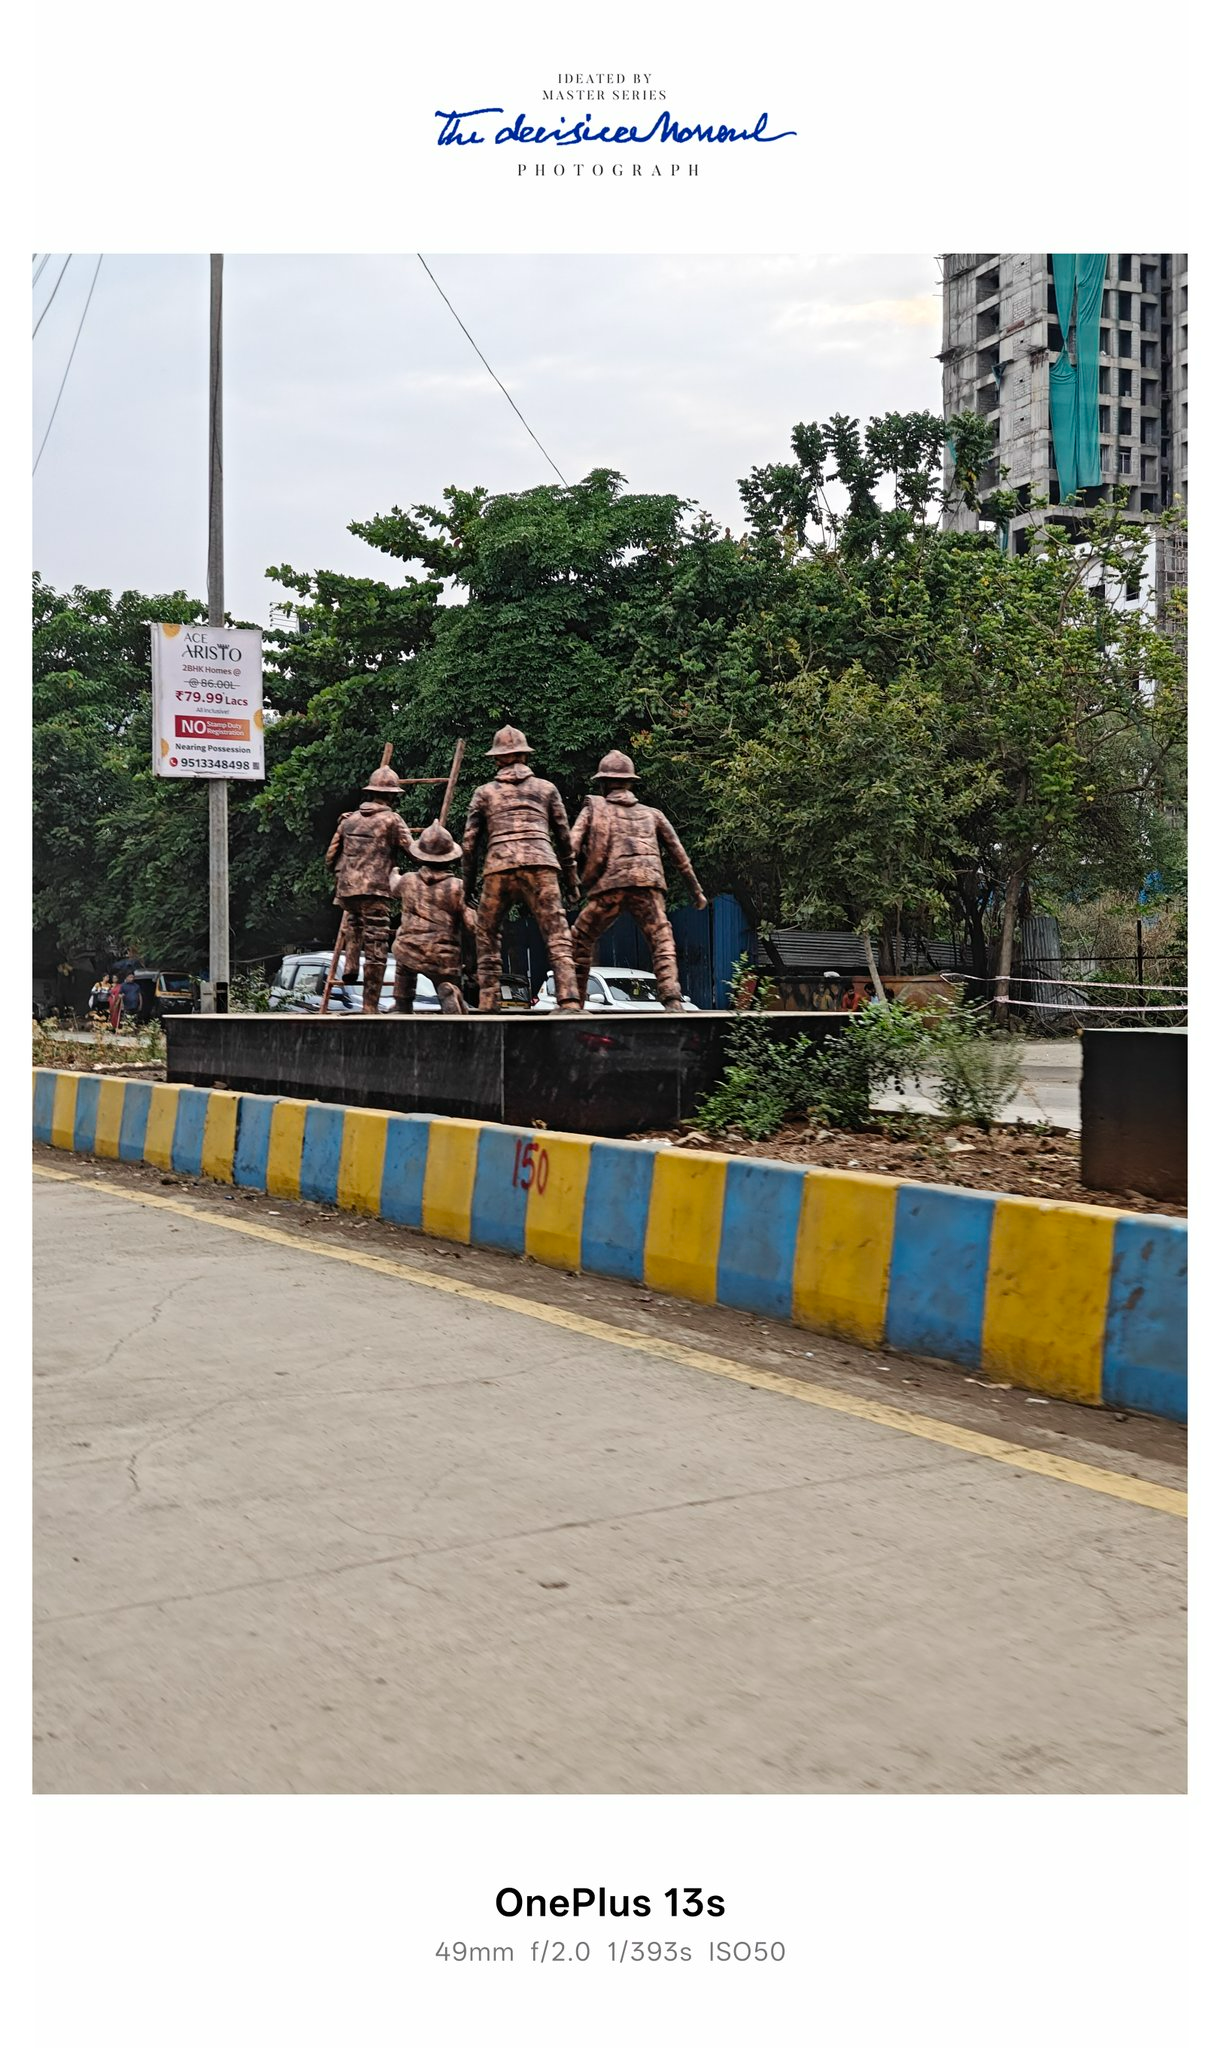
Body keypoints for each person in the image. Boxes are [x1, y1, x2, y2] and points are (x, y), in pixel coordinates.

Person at [569, 750, 707, 1012]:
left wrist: (571, 882)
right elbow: (679, 855)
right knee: (661, 940)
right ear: (630, 783)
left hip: (610, 886)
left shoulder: (592, 811)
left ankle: (574, 1001)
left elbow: (571, 847)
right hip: (648, 885)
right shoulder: (653, 815)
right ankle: (672, 1000)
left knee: (581, 938)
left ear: (603, 783)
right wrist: (696, 891)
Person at [461, 725, 581, 1012]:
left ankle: (489, 1000)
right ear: (525, 756)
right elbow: (564, 838)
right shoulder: (546, 789)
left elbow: (469, 844)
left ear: (497, 759)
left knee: (486, 933)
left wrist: (467, 887)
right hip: (541, 865)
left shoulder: (484, 793)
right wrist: (572, 881)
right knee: (557, 933)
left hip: (498, 867)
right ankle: (569, 999)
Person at [325, 762, 416, 1012]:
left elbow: (330, 856)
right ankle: (369, 1006)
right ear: (391, 796)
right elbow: (412, 851)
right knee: (376, 945)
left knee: (354, 921)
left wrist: (341, 875)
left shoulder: (348, 820)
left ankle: (351, 964)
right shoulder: (392, 820)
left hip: (347, 888)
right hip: (375, 890)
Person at [388, 821, 477, 1014]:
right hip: (443, 955)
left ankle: (402, 1002)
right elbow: (472, 924)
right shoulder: (457, 887)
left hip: (409, 947)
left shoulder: (408, 880)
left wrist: (393, 872)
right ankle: (448, 990)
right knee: (447, 980)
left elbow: (393, 887)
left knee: (403, 967)